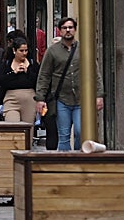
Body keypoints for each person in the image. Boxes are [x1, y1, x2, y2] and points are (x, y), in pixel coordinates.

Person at [35, 17, 103, 151]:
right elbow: (44, 75)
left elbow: (95, 73)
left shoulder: (84, 49)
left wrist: (99, 95)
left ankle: (79, 161)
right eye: (65, 28)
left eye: (70, 27)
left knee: (80, 132)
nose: (68, 30)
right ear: (59, 31)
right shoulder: (52, 51)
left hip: (81, 99)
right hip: (61, 99)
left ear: (75, 30)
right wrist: (40, 98)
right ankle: (64, 165)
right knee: (64, 135)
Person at [0, 37, 39, 123]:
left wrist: (28, 71)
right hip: (11, 99)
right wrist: (14, 72)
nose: (24, 53)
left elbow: (37, 81)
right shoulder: (7, 64)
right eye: (21, 50)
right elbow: (0, 80)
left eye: (26, 50)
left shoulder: (32, 63)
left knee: (28, 128)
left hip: (29, 99)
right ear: (14, 50)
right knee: (13, 126)